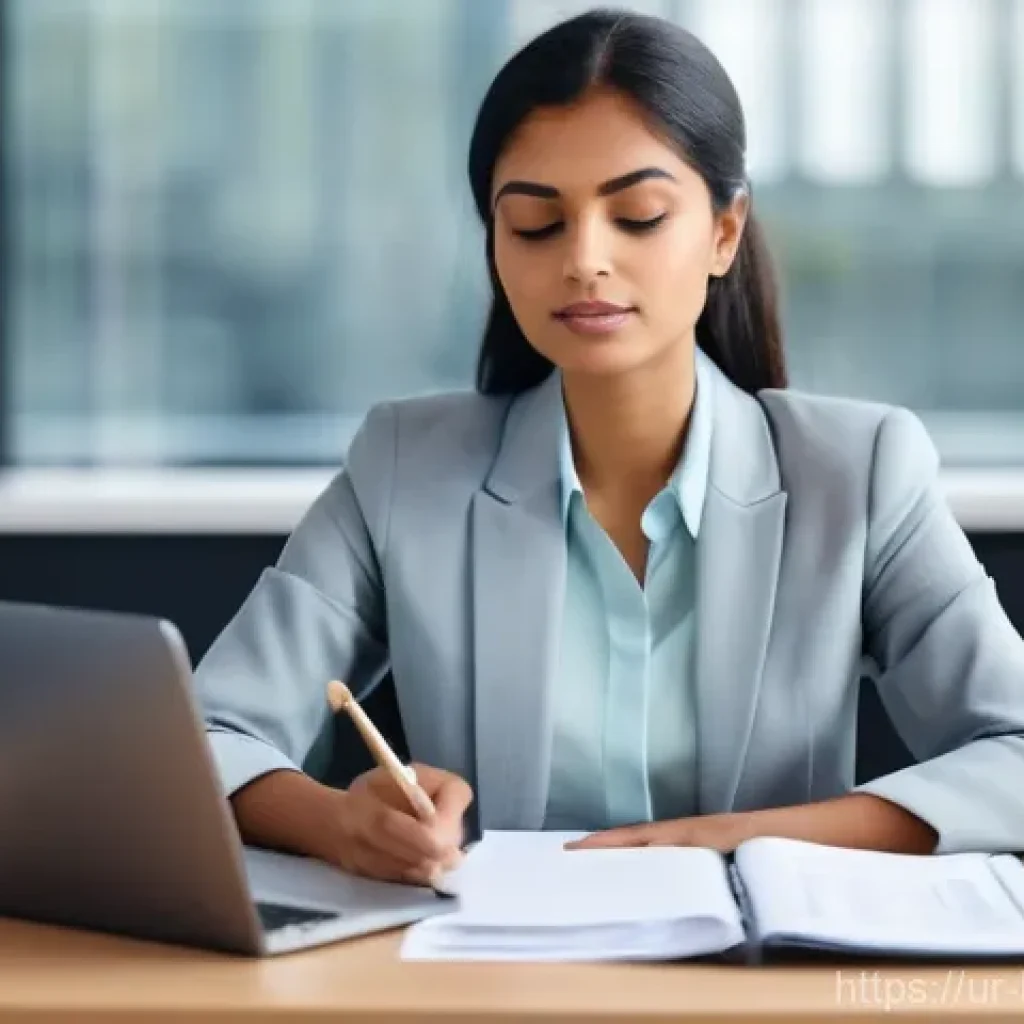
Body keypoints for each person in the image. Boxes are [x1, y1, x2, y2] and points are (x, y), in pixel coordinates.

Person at [194, 9, 1024, 888]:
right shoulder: (406, 466)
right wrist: (338, 822)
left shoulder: (859, 473)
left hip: (759, 987)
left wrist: (738, 838)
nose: (585, 260)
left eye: (637, 216)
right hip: (492, 982)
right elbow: (207, 737)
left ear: (723, 232)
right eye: (536, 226)